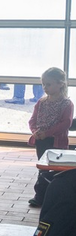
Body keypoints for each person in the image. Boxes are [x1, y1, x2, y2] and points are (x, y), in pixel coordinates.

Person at [27, 67, 73, 208]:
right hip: (41, 140)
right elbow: (32, 120)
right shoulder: (41, 102)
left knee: (57, 170)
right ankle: (40, 195)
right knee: (43, 168)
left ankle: (54, 196)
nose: (45, 87)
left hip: (57, 141)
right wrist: (35, 131)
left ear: (60, 84)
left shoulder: (67, 104)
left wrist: (47, 133)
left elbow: (65, 123)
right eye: (43, 84)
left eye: (49, 84)